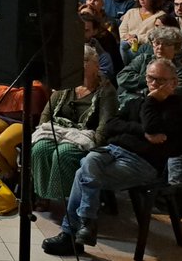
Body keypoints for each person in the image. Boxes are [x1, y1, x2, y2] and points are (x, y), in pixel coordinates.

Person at [43, 58, 182, 255]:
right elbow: (112, 124)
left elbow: (153, 127)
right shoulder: (138, 101)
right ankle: (86, 224)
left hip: (143, 163)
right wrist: (141, 131)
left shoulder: (177, 109)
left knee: (83, 173)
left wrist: (151, 102)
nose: (154, 84)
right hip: (112, 151)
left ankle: (73, 233)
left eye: (161, 81)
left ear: (174, 82)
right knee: (89, 162)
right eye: (151, 78)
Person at [29, 46, 118, 204]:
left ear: (96, 65)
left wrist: (95, 145)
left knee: (62, 153)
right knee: (39, 148)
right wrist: (42, 132)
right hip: (58, 131)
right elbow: (47, 113)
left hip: (84, 137)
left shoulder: (106, 91)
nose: (79, 65)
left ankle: (64, 199)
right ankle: (42, 195)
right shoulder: (67, 83)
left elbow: (105, 123)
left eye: (84, 61)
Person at [0, 75, 47, 188]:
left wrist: (9, 92)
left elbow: (36, 93)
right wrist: (16, 92)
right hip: (2, 115)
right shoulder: (5, 70)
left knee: (4, 141)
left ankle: (10, 172)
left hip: (26, 119)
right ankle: (9, 171)